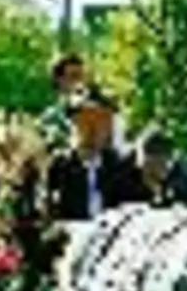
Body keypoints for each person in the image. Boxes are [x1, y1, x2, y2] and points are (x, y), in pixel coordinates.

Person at [43, 86, 147, 222]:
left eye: (101, 120)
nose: (93, 128)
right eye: (86, 120)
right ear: (75, 124)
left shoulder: (123, 169)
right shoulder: (59, 168)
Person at [137, 128, 187, 206]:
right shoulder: (150, 162)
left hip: (170, 171)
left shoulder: (174, 166)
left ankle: (167, 193)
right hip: (162, 168)